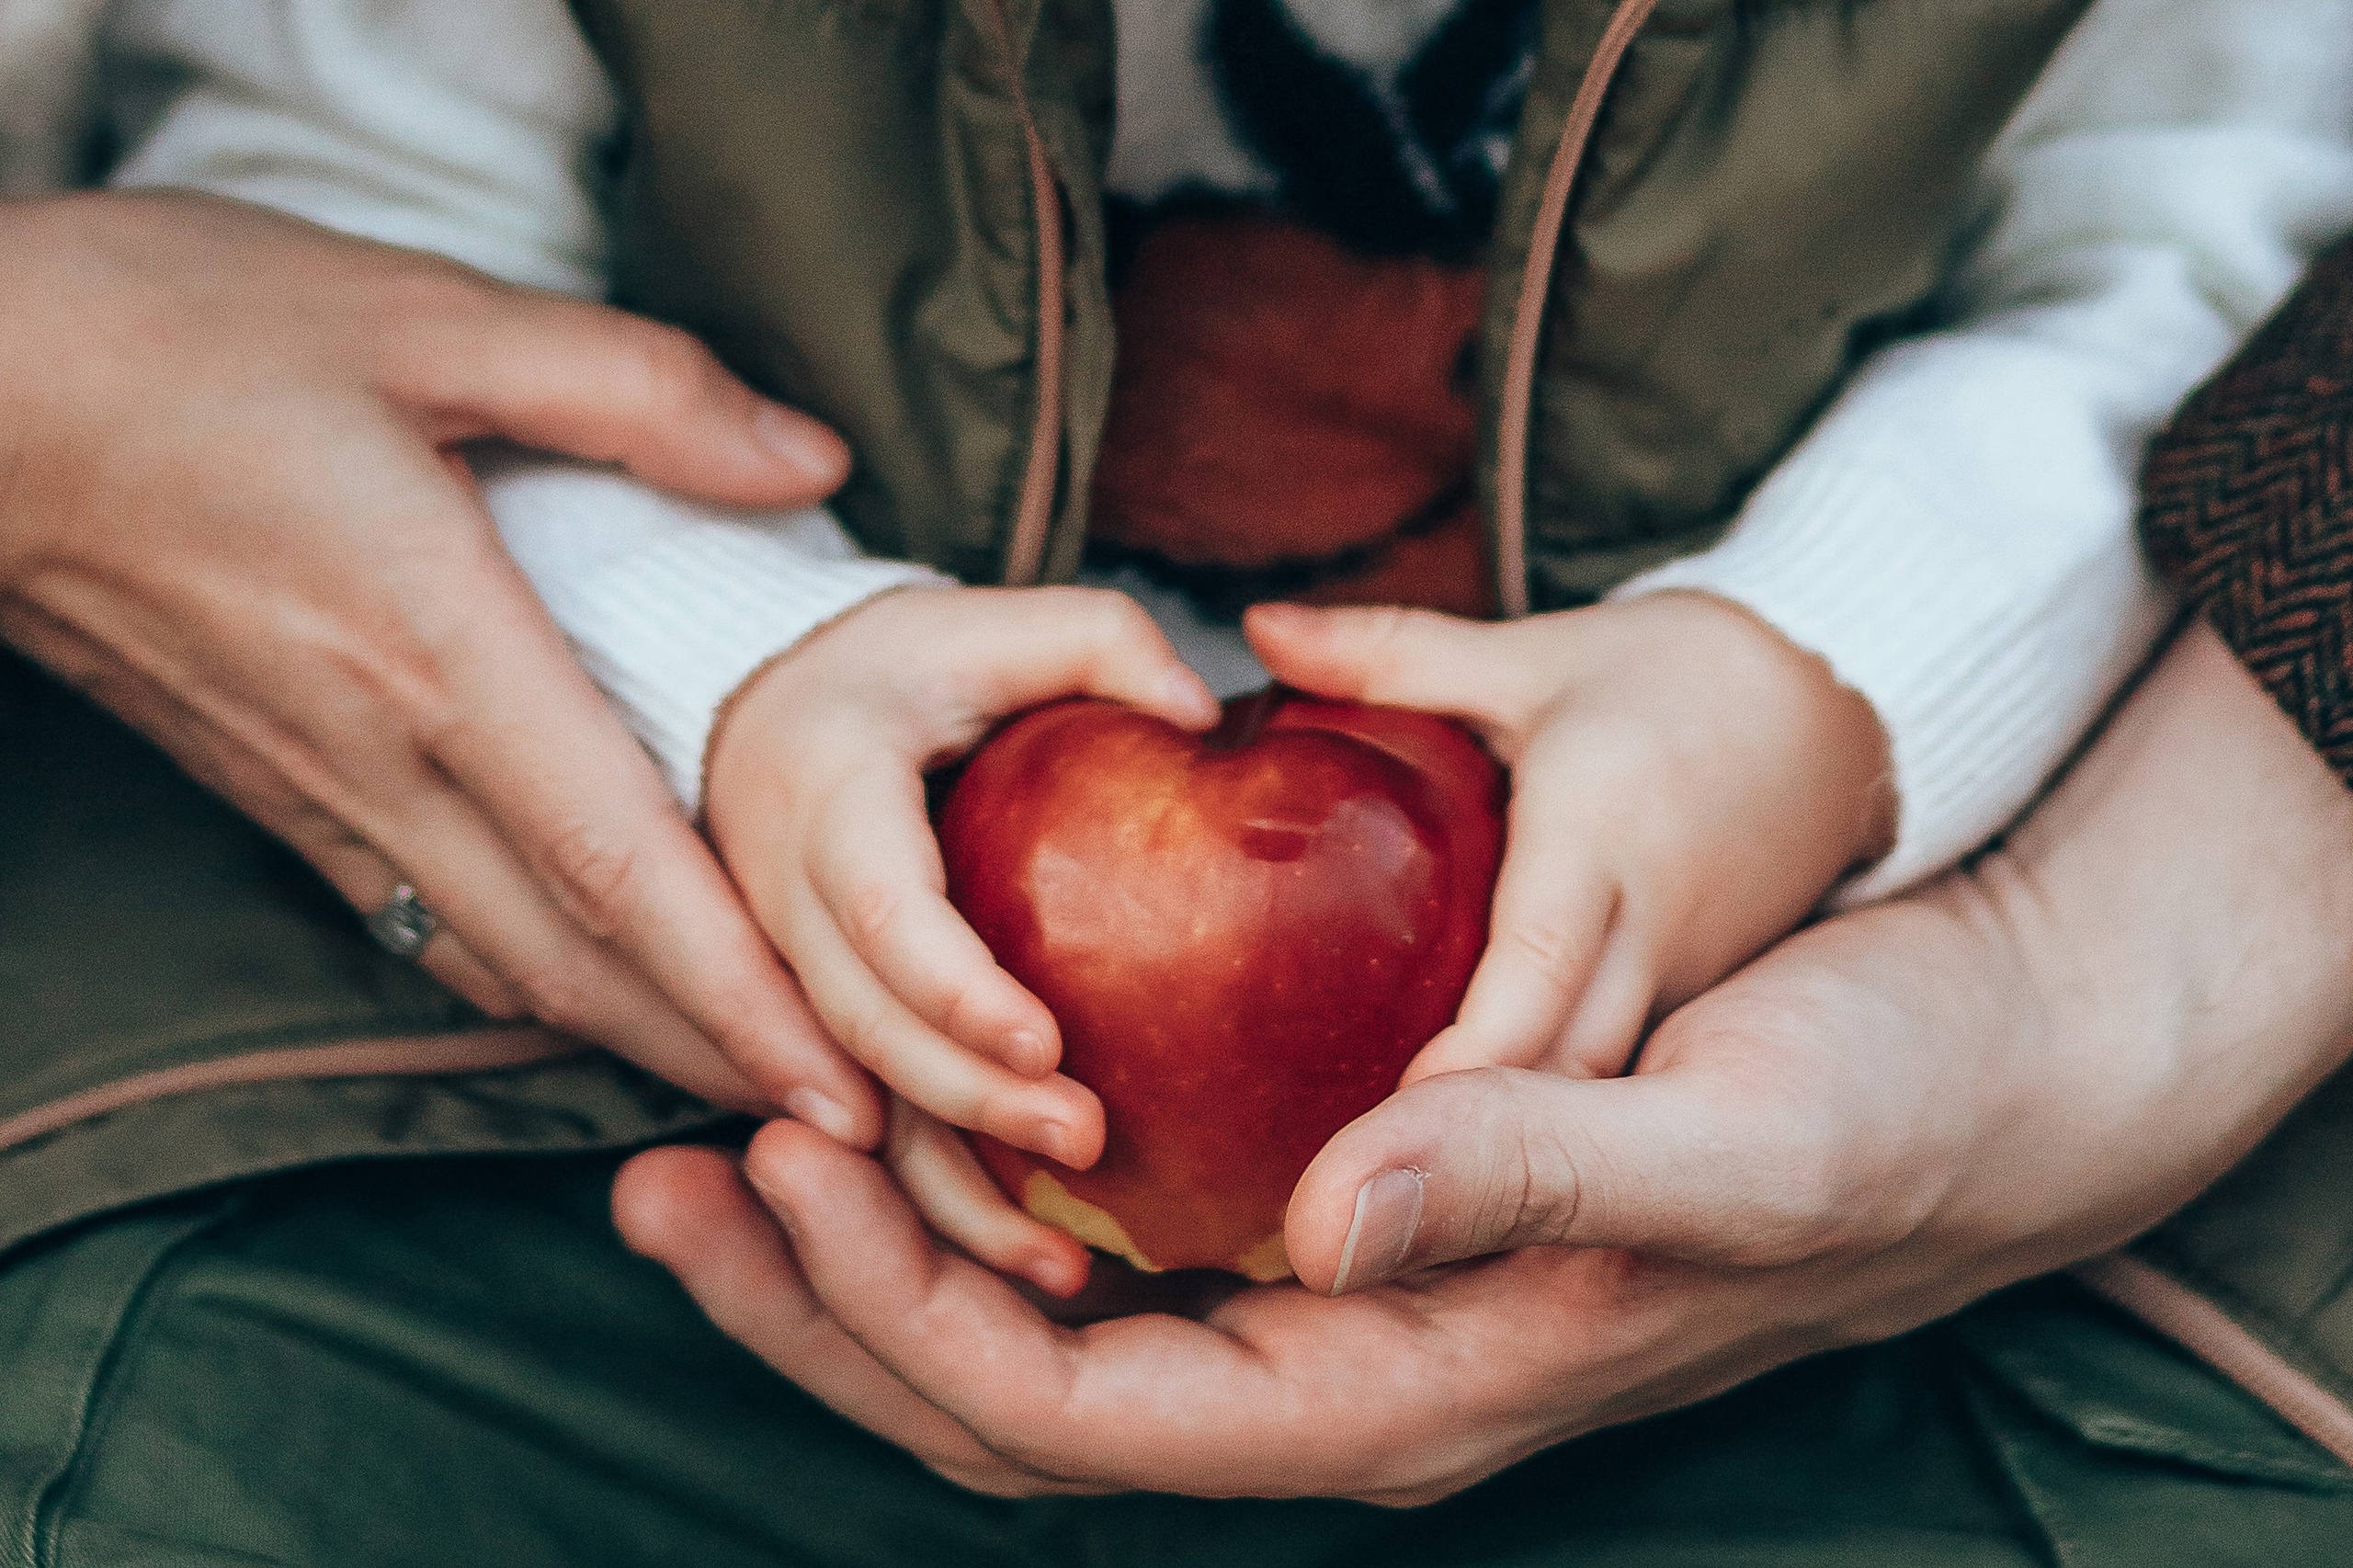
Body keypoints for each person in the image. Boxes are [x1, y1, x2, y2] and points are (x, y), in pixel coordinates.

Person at [1, 6, 2352, 1568]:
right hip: (527, 1059)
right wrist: (722, 670)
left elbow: (2191, 238)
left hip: (1840, 1060)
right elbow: (341, 228)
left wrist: (1826, 681)